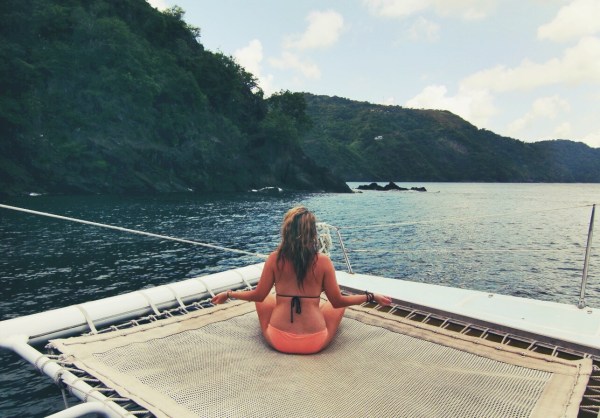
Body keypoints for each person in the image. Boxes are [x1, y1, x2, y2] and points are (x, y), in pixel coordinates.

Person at [212, 206, 392, 354]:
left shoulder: (275, 259)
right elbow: (338, 301)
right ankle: (314, 311)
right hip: (314, 342)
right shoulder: (323, 261)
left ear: (286, 231)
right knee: (333, 305)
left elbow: (257, 295)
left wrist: (228, 294)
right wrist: (371, 297)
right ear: (313, 233)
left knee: (265, 300)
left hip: (278, 339)